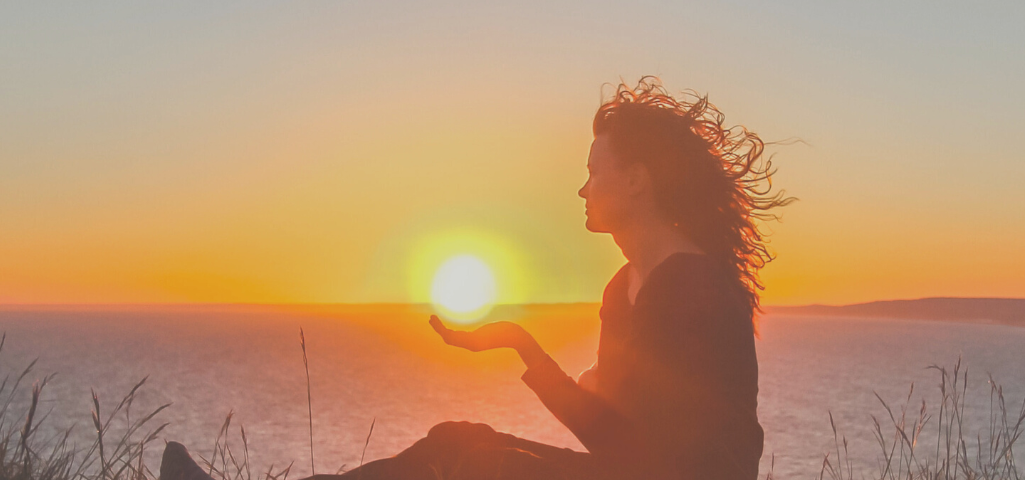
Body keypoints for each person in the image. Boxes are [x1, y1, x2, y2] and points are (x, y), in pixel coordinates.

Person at [160, 77, 792, 480]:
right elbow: (613, 443)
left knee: (477, 463)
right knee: (458, 439)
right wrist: (521, 343)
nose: (582, 187)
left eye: (595, 172)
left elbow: (661, 459)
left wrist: (571, 389)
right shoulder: (621, 291)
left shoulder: (694, 289)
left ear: (637, 179)